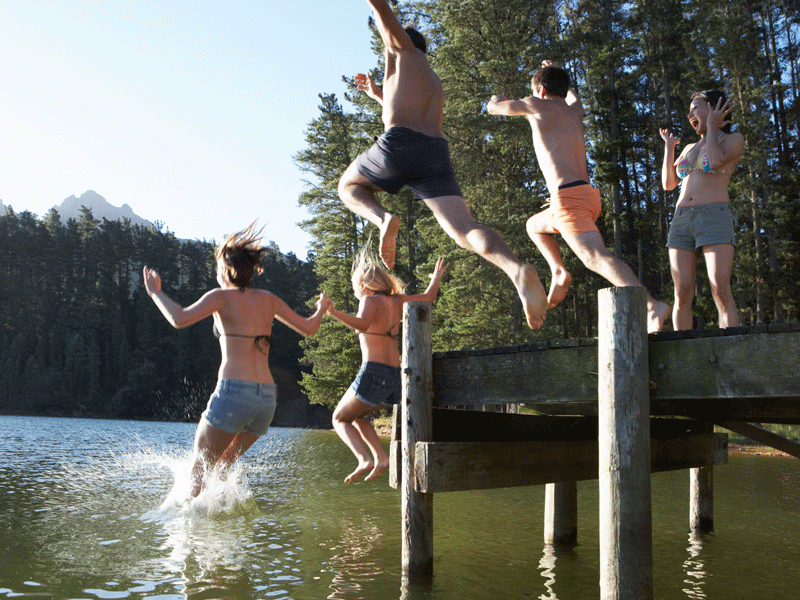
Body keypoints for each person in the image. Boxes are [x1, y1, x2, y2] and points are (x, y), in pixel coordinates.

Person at [337, 0, 547, 330]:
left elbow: (381, 12)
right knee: (465, 230)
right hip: (433, 152)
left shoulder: (402, 49)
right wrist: (378, 94)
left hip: (400, 143)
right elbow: (406, 106)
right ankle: (516, 270)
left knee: (348, 187)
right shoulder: (433, 81)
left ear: (399, 39)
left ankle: (384, 220)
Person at [143, 223, 331, 499]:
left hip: (234, 393)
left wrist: (155, 293)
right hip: (266, 401)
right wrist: (322, 309)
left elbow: (179, 318)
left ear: (226, 269)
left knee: (200, 468)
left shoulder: (220, 297)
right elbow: (309, 328)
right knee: (221, 466)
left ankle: (190, 533)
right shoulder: (269, 300)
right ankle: (217, 518)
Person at [487, 60, 671, 333]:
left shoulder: (536, 105)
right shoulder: (574, 111)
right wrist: (562, 74)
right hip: (585, 195)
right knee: (534, 225)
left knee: (595, 257)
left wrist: (495, 98)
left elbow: (495, 109)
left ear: (541, 89)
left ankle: (651, 305)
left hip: (570, 199)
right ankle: (558, 271)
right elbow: (576, 99)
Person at [326, 246, 448, 483]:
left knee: (339, 418)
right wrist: (435, 279)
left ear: (363, 285)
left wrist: (333, 312)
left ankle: (365, 459)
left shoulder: (369, 300)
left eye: (354, 286)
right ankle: (381, 458)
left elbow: (361, 324)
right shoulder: (398, 301)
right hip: (394, 376)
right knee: (358, 417)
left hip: (373, 372)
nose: (355, 291)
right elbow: (429, 298)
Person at [660, 91, 744, 330]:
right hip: (681, 219)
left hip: (714, 215)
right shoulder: (688, 147)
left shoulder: (733, 139)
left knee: (719, 288)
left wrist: (711, 126)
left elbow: (716, 162)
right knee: (682, 293)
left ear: (715, 108)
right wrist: (669, 148)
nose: (690, 114)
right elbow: (669, 184)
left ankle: (729, 350)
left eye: (696, 107)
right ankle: (683, 353)